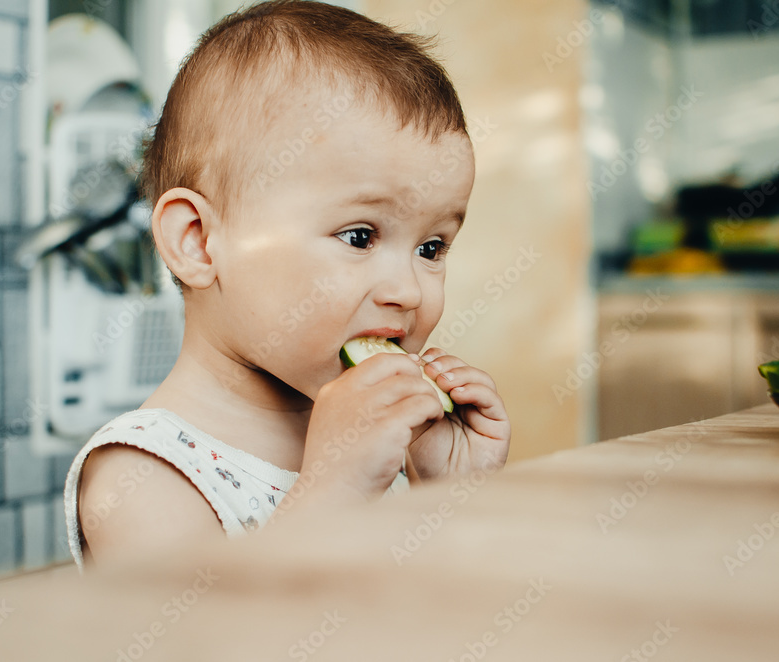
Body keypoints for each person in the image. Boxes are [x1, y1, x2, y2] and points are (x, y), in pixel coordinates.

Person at [63, 0, 510, 573]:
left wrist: (449, 497)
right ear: (198, 241)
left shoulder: (384, 446)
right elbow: (202, 644)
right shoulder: (142, 475)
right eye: (359, 236)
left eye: (431, 249)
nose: (409, 291)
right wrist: (332, 491)